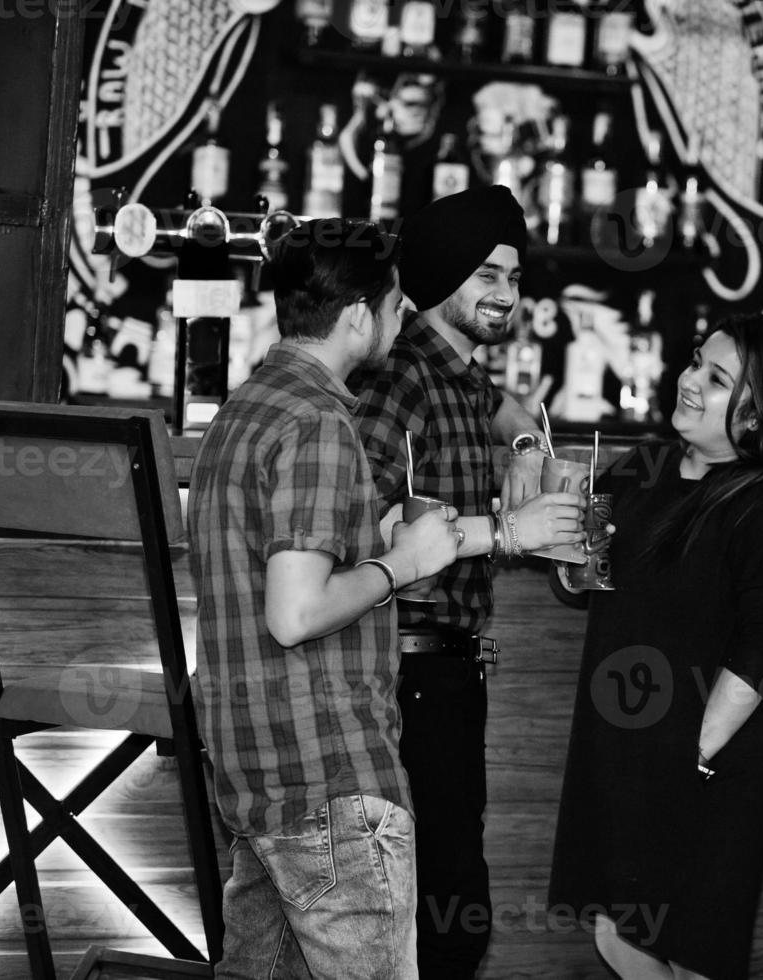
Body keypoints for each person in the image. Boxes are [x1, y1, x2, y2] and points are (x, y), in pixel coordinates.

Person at [188, 218, 463, 978]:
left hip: (255, 783)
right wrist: (401, 565)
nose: (406, 316)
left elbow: (263, 580)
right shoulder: (319, 422)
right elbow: (295, 614)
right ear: (356, 318)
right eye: (398, 302)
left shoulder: (241, 414)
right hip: (327, 778)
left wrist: (372, 538)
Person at [350, 185, 587, 979]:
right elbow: (363, 526)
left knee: (442, 903)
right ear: (442, 276)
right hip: (403, 670)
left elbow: (505, 406)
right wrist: (509, 533)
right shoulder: (399, 378)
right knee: (445, 912)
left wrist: (523, 443)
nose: (505, 295)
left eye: (514, 278)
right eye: (486, 274)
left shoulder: (451, 372)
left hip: (441, 669)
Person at [548, 314, 763, 980]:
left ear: (759, 417)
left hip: (711, 755)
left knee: (695, 952)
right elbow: (593, 574)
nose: (690, 380)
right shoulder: (645, 461)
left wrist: (695, 754)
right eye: (695, 360)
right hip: (628, 741)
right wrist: (568, 561)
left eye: (716, 376)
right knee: (619, 934)